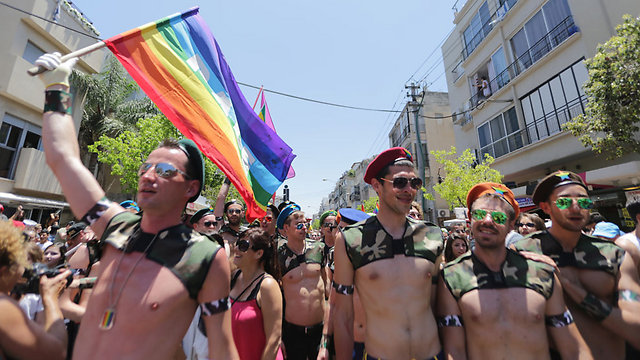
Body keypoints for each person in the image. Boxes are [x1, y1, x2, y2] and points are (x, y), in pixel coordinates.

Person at [35, 52, 238, 359]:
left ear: (191, 189)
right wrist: (56, 86)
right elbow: (62, 159)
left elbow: (222, 348)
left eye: (166, 171)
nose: (149, 176)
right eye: (146, 168)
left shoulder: (205, 257)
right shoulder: (115, 224)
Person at [438, 182, 591, 359]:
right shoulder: (451, 277)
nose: (488, 221)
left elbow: (573, 348)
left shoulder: (541, 272)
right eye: (480, 214)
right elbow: (454, 351)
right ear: (469, 220)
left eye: (499, 218)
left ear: (512, 225)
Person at [514, 171, 640, 359]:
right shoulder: (522, 251)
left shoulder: (613, 254)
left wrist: (573, 289)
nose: (575, 207)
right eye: (564, 202)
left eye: (583, 201)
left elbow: (635, 327)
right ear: (545, 207)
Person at [333, 147, 444, 360]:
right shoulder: (351, 239)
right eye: (400, 182)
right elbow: (343, 316)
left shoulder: (432, 235)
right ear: (377, 186)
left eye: (415, 183)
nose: (409, 190)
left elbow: (438, 306)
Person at [0, 221, 70, 360]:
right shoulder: (3, 307)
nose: (23, 272)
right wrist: (50, 299)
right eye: (22, 264)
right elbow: (55, 353)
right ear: (4, 270)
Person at [276, 203, 327, 359]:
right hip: (291, 333)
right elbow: (273, 299)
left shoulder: (319, 249)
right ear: (286, 229)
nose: (304, 227)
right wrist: (278, 336)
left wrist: (326, 336)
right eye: (299, 225)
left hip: (319, 331)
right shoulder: (278, 256)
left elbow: (328, 292)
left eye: (305, 224)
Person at [231, 228, 283, 360]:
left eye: (243, 246)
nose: (236, 248)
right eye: (237, 243)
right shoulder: (233, 277)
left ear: (259, 253)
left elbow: (274, 339)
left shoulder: (268, 286)